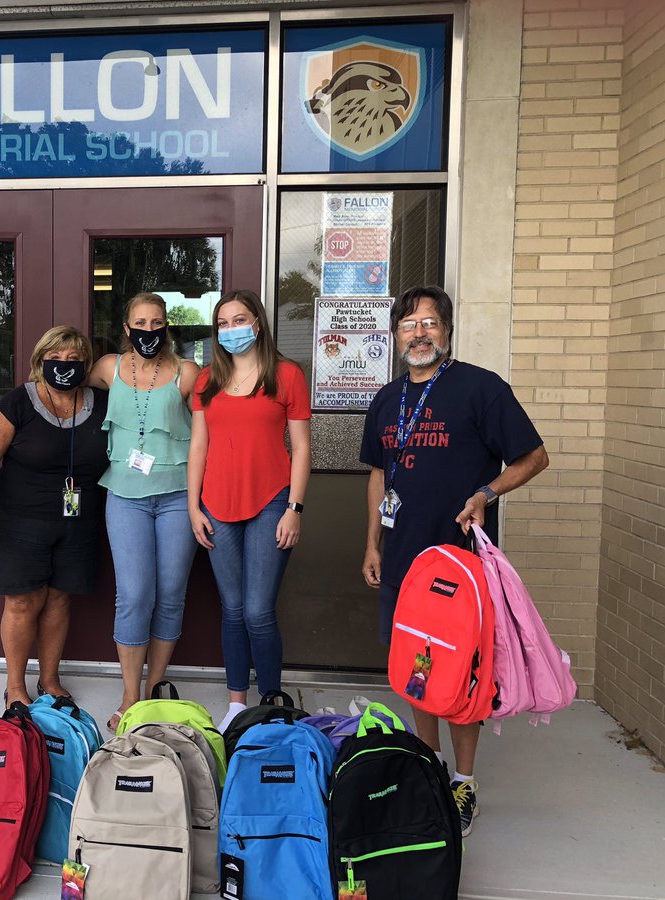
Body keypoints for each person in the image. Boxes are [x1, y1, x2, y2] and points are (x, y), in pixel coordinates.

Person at [359, 285, 549, 837]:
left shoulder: (480, 389)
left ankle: (463, 781)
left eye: (429, 323)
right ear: (396, 337)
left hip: (459, 563)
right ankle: (429, 765)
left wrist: (487, 493)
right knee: (417, 667)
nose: (419, 333)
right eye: (408, 325)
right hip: (403, 560)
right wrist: (372, 543)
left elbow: (535, 455)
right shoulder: (386, 399)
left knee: (465, 672)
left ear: (446, 331)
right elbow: (378, 475)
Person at [187, 289, 312, 732]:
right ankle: (237, 705)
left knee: (259, 611)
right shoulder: (207, 380)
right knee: (233, 609)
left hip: (271, 502)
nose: (230, 329)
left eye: (238, 320)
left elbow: (300, 447)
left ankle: (272, 701)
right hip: (216, 505)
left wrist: (294, 508)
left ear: (257, 323)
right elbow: (198, 445)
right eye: (222, 323)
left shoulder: (286, 375)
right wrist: (193, 507)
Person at [0, 326, 109, 707]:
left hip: (78, 521)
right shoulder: (17, 402)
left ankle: (50, 680)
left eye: (73, 359)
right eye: (55, 358)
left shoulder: (101, 401)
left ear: (86, 364)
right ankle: (15, 685)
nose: (63, 365)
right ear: (39, 361)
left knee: (59, 600)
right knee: (21, 602)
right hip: (20, 520)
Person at [88, 292, 201, 732]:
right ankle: (130, 695)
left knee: (170, 593)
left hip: (177, 495)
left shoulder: (187, 372)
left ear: (167, 326)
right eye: (140, 322)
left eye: (156, 323)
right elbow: (62, 384)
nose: (148, 331)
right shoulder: (107, 368)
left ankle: (154, 688)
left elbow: (215, 422)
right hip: (125, 495)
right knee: (134, 594)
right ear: (126, 326)